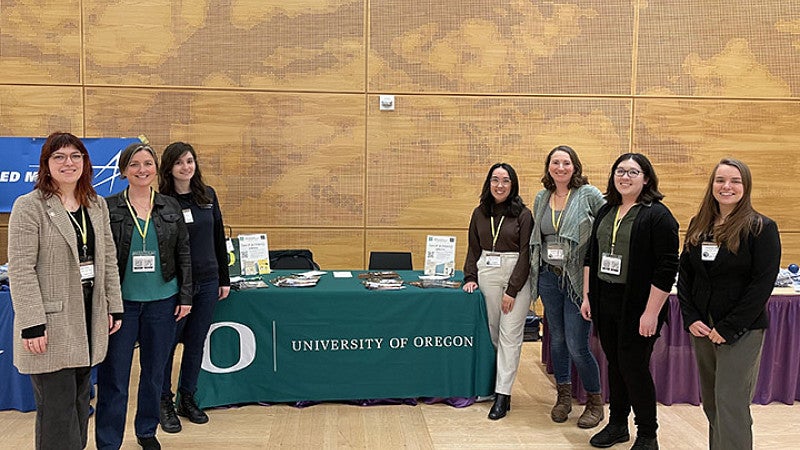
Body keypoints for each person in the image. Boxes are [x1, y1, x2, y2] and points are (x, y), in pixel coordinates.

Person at [8, 132, 123, 450]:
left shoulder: (95, 204)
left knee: (78, 406)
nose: (68, 162)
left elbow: (108, 260)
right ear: (46, 163)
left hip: (88, 319)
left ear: (85, 162)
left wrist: (114, 305)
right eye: (58, 156)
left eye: (75, 155)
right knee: (57, 415)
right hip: (51, 324)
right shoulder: (29, 207)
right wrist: (33, 322)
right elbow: (20, 269)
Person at [677, 158, 780, 450]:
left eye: (735, 181)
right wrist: (691, 317)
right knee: (712, 403)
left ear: (745, 186)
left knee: (730, 404)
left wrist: (729, 327)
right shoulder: (700, 225)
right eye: (721, 180)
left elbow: (761, 286)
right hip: (703, 328)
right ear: (712, 185)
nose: (727, 187)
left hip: (741, 331)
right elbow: (685, 275)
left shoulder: (761, 228)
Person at [95, 143, 192, 450]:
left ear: (155, 168)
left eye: (148, 163)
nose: (142, 170)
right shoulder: (107, 208)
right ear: (124, 171)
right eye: (134, 164)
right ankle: (109, 441)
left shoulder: (169, 206)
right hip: (121, 305)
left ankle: (147, 431)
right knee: (115, 378)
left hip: (163, 302)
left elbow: (183, 255)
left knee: (154, 374)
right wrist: (106, 303)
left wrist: (186, 296)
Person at [581, 153, 679, 450]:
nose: (625, 177)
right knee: (615, 364)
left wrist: (651, 313)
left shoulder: (658, 215)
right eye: (620, 171)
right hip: (605, 300)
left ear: (646, 178)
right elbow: (591, 255)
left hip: (639, 304)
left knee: (634, 367)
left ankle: (648, 433)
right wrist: (587, 296)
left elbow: (666, 268)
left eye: (633, 172)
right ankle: (617, 425)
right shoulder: (607, 210)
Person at [157, 142, 230, 433]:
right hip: (176, 285)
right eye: (179, 163)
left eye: (190, 161)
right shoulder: (161, 200)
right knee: (167, 345)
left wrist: (224, 278)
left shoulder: (207, 196)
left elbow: (217, 238)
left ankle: (187, 397)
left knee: (196, 343)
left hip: (209, 281)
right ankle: (163, 401)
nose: (186, 167)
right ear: (169, 168)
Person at [530, 146, 605, 428]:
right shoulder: (541, 197)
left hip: (577, 280)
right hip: (549, 277)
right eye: (555, 162)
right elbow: (538, 238)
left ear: (575, 166)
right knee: (558, 341)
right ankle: (563, 397)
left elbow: (605, 229)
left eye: (566, 162)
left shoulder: (589, 194)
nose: (560, 167)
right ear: (548, 167)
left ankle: (595, 403)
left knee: (577, 344)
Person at [463, 162, 533, 420]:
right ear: (488, 183)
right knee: (492, 334)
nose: (500, 185)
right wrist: (470, 276)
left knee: (510, 336)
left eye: (505, 180)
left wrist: (513, 290)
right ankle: (493, 388)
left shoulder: (523, 214)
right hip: (487, 273)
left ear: (512, 185)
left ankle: (503, 396)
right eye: (495, 179)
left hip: (516, 273)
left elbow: (527, 253)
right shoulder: (479, 213)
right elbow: (473, 248)